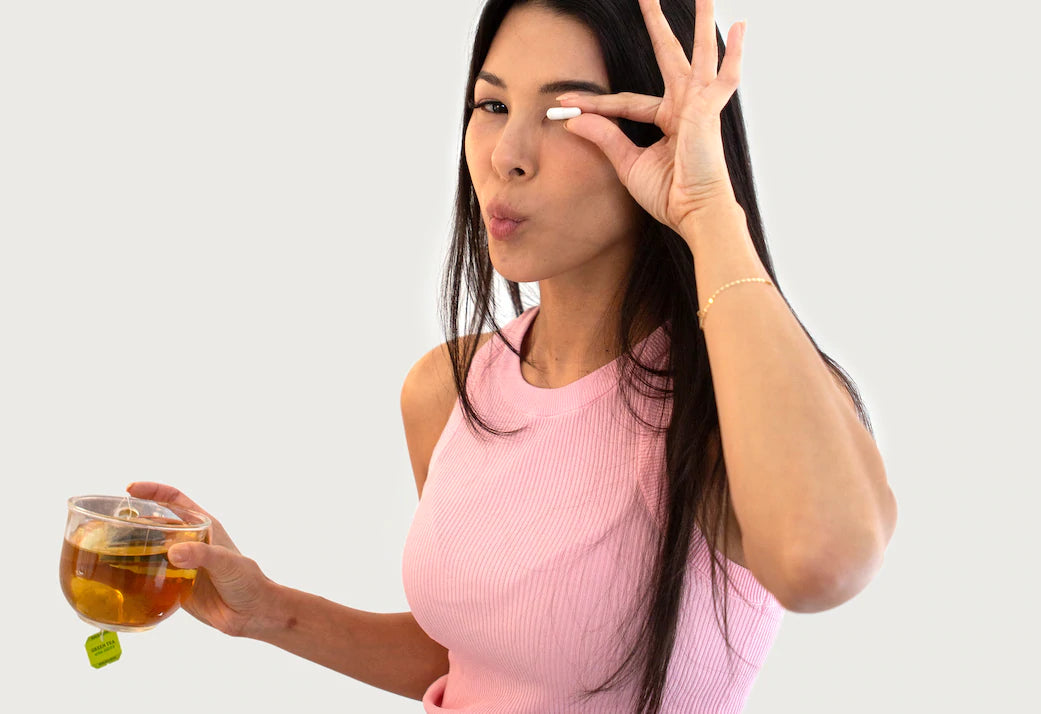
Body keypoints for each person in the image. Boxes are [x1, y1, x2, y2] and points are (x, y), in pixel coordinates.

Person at [129, 0, 898, 711]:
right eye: (492, 105)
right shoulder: (449, 388)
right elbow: (481, 657)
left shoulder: (726, 407)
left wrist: (706, 211)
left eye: (563, 112)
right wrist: (268, 611)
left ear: (660, 131)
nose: (508, 154)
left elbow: (820, 563)